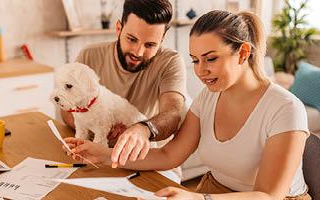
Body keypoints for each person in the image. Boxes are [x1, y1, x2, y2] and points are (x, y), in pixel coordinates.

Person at [64, 10, 312, 200]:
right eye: (195, 60)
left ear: (243, 53)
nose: (201, 71)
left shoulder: (285, 108)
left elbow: (268, 196)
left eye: (211, 59)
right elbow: (170, 154)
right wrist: (106, 155)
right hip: (215, 191)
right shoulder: (208, 97)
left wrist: (197, 197)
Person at [61, 0, 187, 165]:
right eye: (132, 39)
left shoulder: (170, 61)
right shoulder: (89, 55)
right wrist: (98, 127)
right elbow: (67, 109)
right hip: (94, 154)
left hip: (146, 159)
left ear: (162, 39)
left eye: (150, 45)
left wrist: (143, 129)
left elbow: (173, 113)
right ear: (118, 29)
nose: (138, 52)